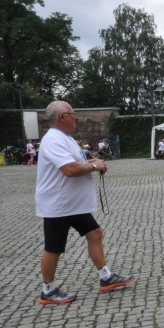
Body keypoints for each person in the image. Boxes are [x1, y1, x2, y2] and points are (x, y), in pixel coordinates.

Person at [35, 101, 134, 305]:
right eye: (73, 113)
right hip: (59, 205)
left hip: (73, 203)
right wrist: (94, 166)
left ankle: (106, 277)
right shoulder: (53, 139)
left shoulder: (66, 138)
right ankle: (48, 291)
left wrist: (92, 163)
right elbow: (69, 169)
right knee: (54, 248)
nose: (76, 117)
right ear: (62, 117)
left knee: (95, 233)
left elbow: (77, 162)